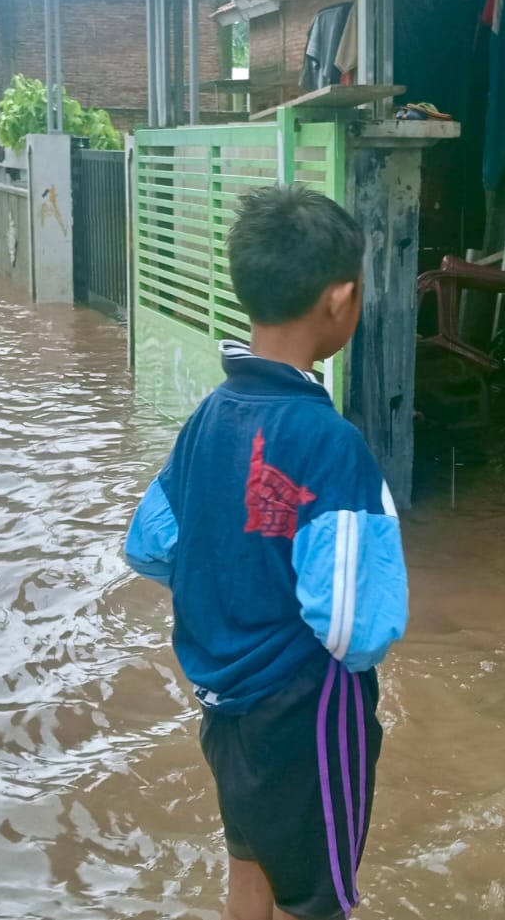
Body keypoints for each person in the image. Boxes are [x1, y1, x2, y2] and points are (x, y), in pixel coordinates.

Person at [125, 184, 410, 920]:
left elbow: (151, 546)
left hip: (225, 707)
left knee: (248, 871)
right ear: (341, 300)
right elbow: (354, 629)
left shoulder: (208, 419)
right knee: (316, 902)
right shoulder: (331, 443)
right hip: (308, 715)